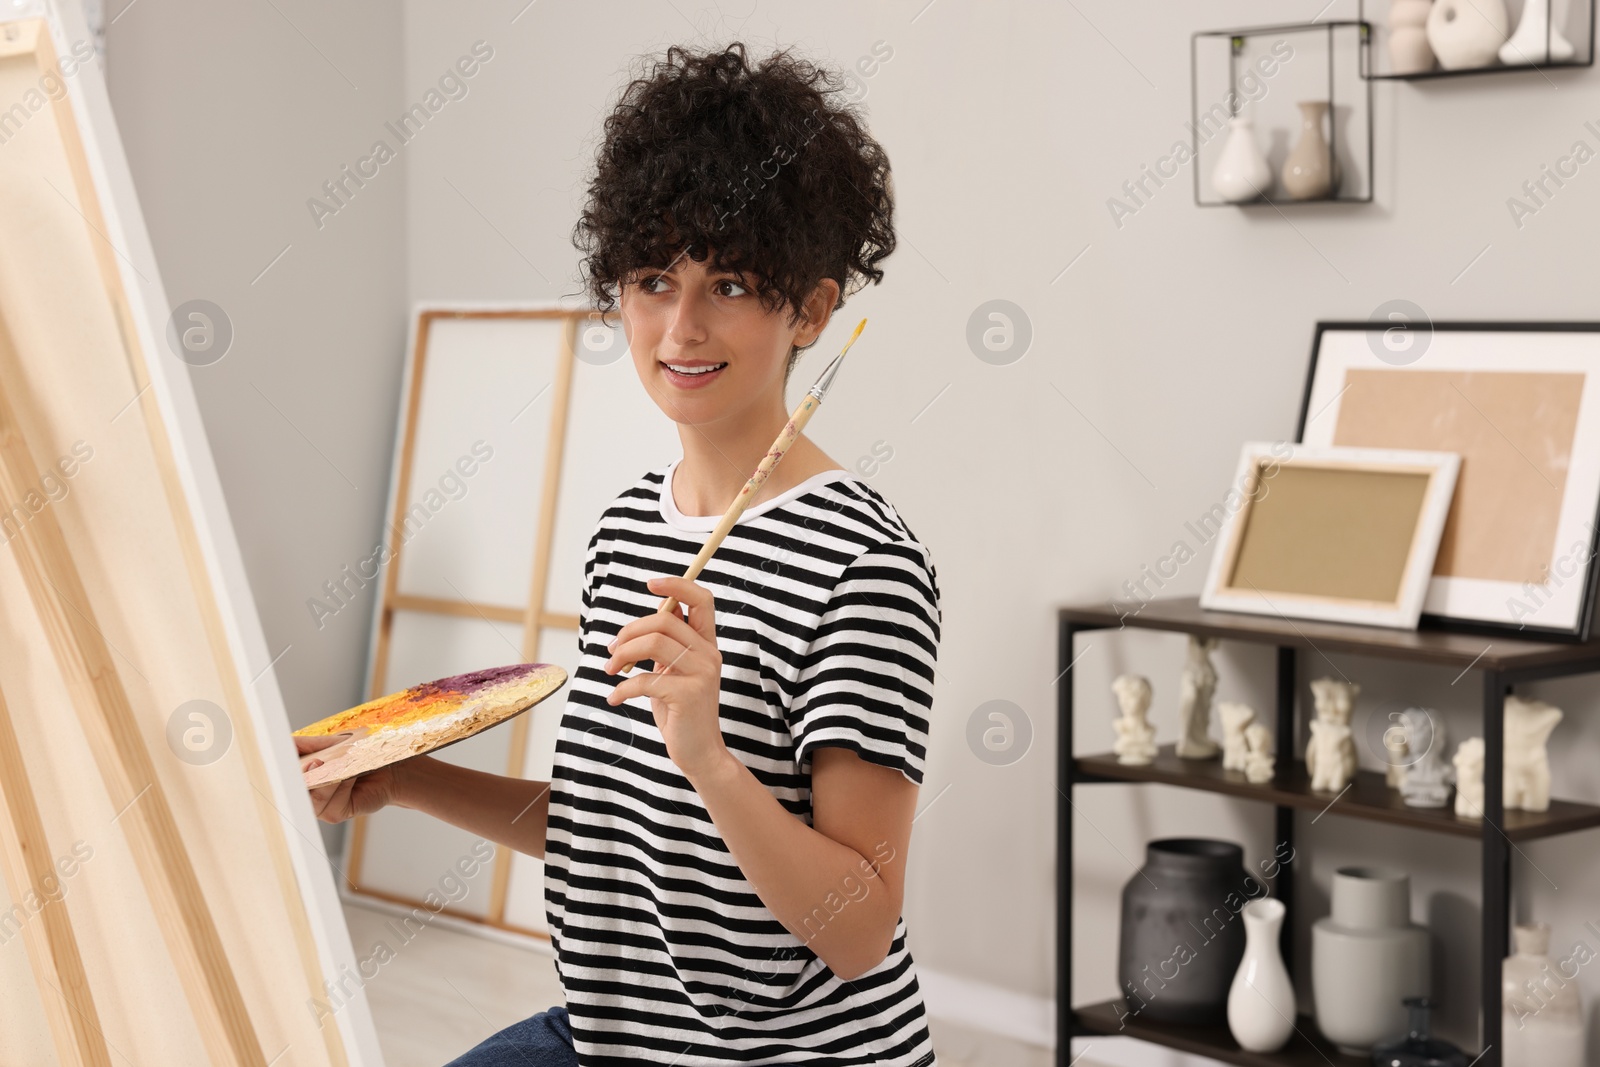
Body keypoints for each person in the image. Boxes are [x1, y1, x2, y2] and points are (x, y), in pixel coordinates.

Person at [298, 41, 940, 1067]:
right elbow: (612, 836)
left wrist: (710, 756)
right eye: (652, 278)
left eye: (729, 281)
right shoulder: (628, 527)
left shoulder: (863, 561)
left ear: (811, 308)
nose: (679, 326)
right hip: (612, 1035)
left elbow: (858, 926)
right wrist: (406, 779)